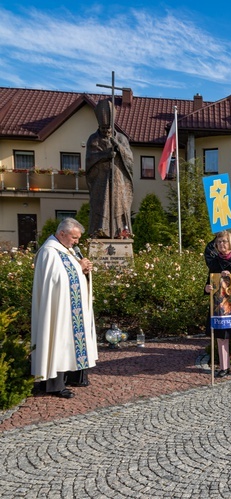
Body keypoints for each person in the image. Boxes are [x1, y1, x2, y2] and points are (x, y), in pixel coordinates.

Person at [31, 218, 98, 399]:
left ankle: (74, 376)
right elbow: (56, 280)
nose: (77, 242)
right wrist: (79, 267)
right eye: (74, 238)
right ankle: (54, 385)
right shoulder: (49, 252)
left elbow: (69, 276)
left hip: (71, 309)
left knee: (70, 342)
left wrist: (84, 271)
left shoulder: (66, 251)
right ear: (62, 234)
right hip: (57, 311)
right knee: (58, 341)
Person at [85, 99, 134, 238]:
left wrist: (119, 148)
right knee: (101, 204)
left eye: (108, 128)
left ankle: (121, 232)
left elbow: (130, 159)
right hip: (101, 180)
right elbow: (89, 159)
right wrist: (104, 154)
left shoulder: (122, 139)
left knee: (120, 204)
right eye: (103, 128)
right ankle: (100, 231)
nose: (106, 131)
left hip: (118, 179)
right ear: (99, 126)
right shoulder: (93, 140)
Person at [204, 230, 231, 379]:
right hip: (219, 306)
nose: (221, 244)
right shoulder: (214, 262)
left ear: (230, 243)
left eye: (224, 241)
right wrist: (207, 288)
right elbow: (208, 283)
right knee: (221, 337)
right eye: (219, 242)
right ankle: (224, 367)